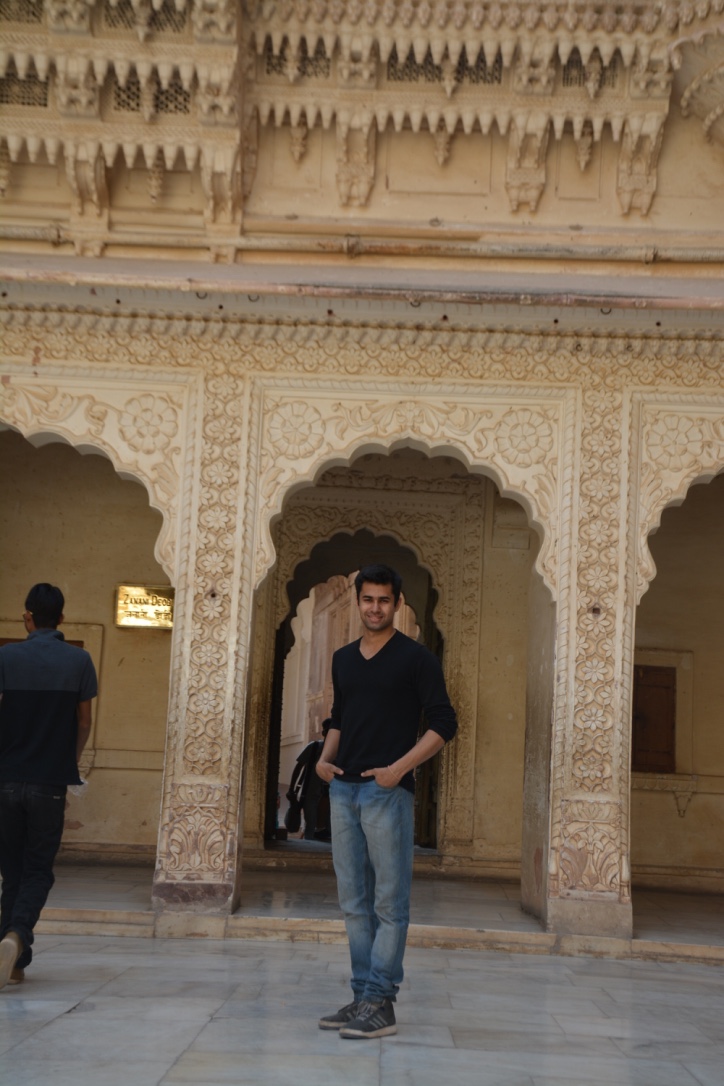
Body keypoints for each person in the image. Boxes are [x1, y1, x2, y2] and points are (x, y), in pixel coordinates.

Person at [316, 564, 457, 1039]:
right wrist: (324, 760)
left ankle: (381, 1001)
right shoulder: (343, 659)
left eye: (383, 600)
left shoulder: (417, 659)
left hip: (386, 792)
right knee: (354, 902)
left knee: (389, 903)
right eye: (367, 599)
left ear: (397, 603)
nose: (374, 608)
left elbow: (444, 724)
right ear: (357, 601)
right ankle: (362, 997)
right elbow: (339, 718)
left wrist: (399, 769)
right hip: (343, 789)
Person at [0, 584, 98, 989]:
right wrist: (68, 762)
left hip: (6, 781)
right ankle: (16, 935)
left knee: (12, 871)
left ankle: (15, 963)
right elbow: (84, 722)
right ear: (61, 618)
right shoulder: (79, 660)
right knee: (38, 870)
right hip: (49, 784)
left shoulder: (6, 656)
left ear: (28, 617)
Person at [287, 718, 331, 841]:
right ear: (324, 733)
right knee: (310, 824)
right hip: (310, 793)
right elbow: (298, 767)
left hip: (330, 796)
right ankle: (309, 846)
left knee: (329, 827)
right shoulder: (314, 747)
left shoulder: (339, 751)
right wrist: (291, 789)